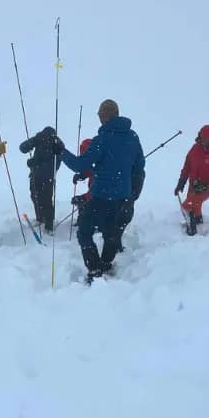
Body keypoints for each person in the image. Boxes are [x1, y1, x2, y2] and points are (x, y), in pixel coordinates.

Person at [55, 99, 145, 281]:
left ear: (104, 116)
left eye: (99, 114)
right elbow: (139, 166)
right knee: (110, 233)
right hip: (122, 197)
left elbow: (79, 165)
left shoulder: (102, 140)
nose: (99, 118)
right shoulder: (132, 137)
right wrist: (133, 190)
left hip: (101, 197)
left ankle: (95, 269)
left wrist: (61, 151)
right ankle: (105, 264)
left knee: (84, 232)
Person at [174, 125, 209, 236]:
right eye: (201, 137)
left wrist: (207, 184)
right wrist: (181, 183)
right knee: (195, 207)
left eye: (206, 138)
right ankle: (198, 222)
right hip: (193, 185)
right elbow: (187, 166)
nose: (202, 140)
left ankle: (191, 231)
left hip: (207, 187)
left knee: (187, 206)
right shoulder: (195, 149)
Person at [19, 126, 61, 233]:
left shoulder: (57, 145)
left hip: (48, 178)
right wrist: (33, 141)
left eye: (48, 137)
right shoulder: (39, 140)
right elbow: (22, 148)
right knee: (35, 197)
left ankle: (49, 226)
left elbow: (55, 165)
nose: (46, 139)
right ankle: (40, 218)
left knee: (46, 200)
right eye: (44, 137)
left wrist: (35, 163)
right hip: (35, 176)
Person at [69, 138, 93, 221]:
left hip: (101, 198)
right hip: (96, 195)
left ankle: (89, 224)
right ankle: (82, 221)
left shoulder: (99, 165)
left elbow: (98, 190)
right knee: (84, 202)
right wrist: (81, 176)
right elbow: (90, 171)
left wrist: (84, 198)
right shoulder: (95, 163)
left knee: (87, 204)